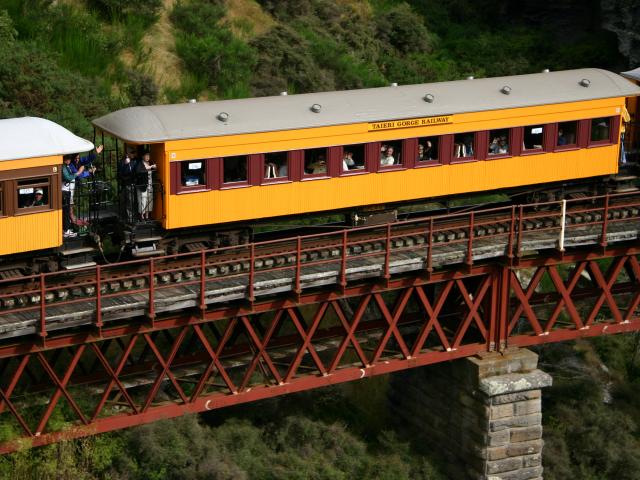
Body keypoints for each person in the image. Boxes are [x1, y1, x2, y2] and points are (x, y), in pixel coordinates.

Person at [62, 155, 84, 238]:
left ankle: (66, 229)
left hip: (66, 191)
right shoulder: (63, 167)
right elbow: (68, 178)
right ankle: (66, 231)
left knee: (67, 211)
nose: (70, 160)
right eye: (68, 158)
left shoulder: (66, 166)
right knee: (66, 212)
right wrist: (78, 173)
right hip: (64, 191)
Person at [118, 148, 137, 222]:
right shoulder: (122, 162)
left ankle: (130, 218)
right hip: (124, 184)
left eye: (133, 153)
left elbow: (135, 172)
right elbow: (120, 173)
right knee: (123, 201)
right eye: (131, 153)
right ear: (128, 154)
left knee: (130, 201)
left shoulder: (134, 162)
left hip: (131, 184)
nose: (133, 154)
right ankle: (124, 217)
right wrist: (125, 165)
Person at [135, 152, 156, 220]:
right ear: (143, 156)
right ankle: (141, 216)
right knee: (143, 200)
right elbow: (139, 172)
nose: (148, 157)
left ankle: (147, 216)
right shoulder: (140, 164)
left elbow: (154, 171)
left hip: (150, 185)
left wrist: (154, 167)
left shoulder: (151, 162)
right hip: (142, 185)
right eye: (146, 156)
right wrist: (150, 167)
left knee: (149, 200)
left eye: (148, 156)